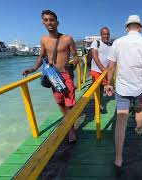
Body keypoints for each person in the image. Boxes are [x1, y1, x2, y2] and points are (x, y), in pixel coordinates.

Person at [105, 15, 142, 169]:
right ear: (140, 28)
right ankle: (139, 129)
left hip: (122, 87)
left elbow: (111, 67)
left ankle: (118, 158)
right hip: (139, 87)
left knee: (121, 120)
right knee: (139, 109)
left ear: (127, 27)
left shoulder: (117, 43)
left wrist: (109, 83)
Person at [22, 10, 79, 142]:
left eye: (51, 20)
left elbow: (76, 56)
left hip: (66, 75)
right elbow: (41, 56)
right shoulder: (43, 40)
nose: (49, 22)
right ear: (43, 22)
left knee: (70, 104)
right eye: (46, 20)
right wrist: (33, 68)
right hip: (53, 77)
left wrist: (73, 64)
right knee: (60, 102)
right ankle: (70, 125)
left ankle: (71, 130)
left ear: (57, 22)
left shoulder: (67, 39)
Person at [90, 27, 112, 111]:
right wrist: (102, 69)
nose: (106, 36)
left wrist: (107, 70)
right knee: (97, 88)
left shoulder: (111, 45)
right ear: (101, 35)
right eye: (104, 34)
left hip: (105, 71)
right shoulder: (96, 42)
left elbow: (111, 59)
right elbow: (95, 56)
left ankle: (100, 103)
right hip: (96, 70)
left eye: (107, 34)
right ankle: (97, 105)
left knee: (102, 88)